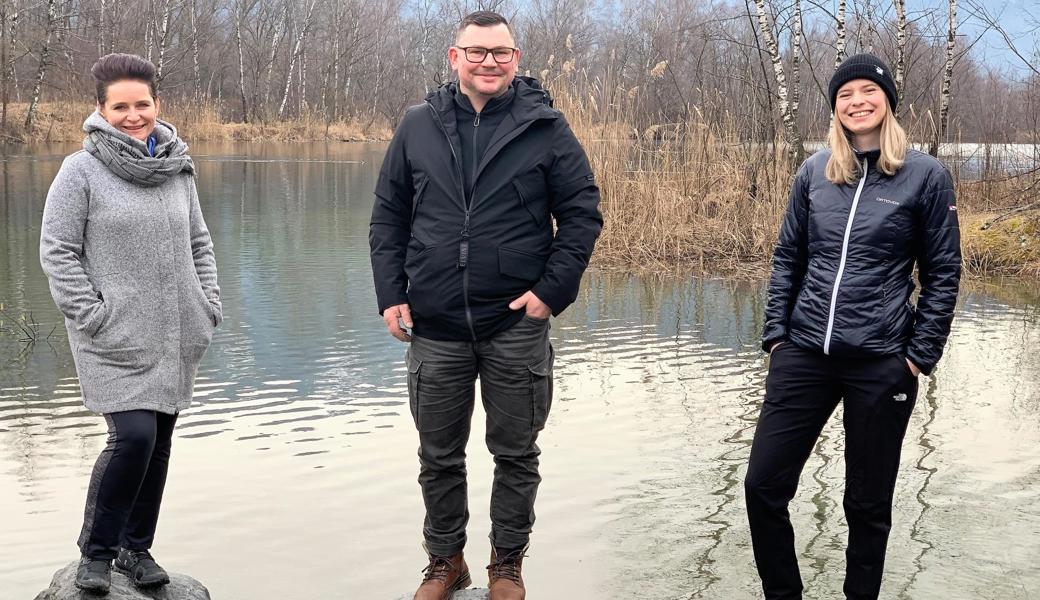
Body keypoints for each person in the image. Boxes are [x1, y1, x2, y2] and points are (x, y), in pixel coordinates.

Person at [369, 10, 602, 600]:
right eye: (476, 52)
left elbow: (581, 215)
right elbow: (388, 217)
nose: (488, 62)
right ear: (455, 58)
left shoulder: (546, 127)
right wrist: (391, 294)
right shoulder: (418, 124)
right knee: (438, 455)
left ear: (516, 60)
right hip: (435, 322)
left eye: (500, 52)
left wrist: (552, 292)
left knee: (516, 453)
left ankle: (507, 563)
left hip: (514, 323)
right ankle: (446, 561)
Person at [744, 53, 961, 600]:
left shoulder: (924, 175)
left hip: (882, 361)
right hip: (803, 353)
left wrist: (917, 356)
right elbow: (787, 257)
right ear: (835, 107)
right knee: (762, 487)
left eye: (869, 90)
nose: (857, 101)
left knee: (866, 504)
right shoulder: (815, 172)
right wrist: (777, 337)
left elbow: (942, 273)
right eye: (845, 93)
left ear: (888, 101)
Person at [39, 53, 220, 594]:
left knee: (158, 440)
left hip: (177, 330)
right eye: (120, 106)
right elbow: (58, 251)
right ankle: (96, 551)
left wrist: (208, 302)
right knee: (133, 436)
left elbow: (200, 244)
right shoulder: (81, 170)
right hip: (112, 336)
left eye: (142, 104)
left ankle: (135, 549)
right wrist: (92, 314)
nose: (133, 115)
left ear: (156, 105)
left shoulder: (176, 167)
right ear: (100, 110)